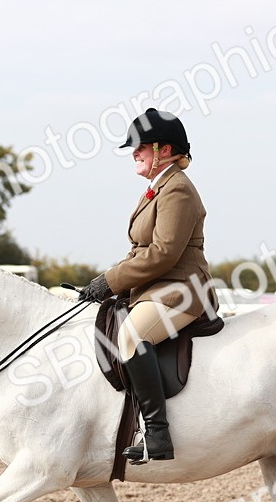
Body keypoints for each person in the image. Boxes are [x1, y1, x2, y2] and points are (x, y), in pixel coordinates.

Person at [79, 108, 218, 464]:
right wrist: (105, 284)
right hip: (155, 289)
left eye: (139, 146)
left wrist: (109, 282)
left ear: (165, 150)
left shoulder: (178, 191)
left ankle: (156, 432)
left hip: (182, 290)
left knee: (132, 337)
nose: (134, 152)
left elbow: (162, 254)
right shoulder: (156, 190)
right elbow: (138, 250)